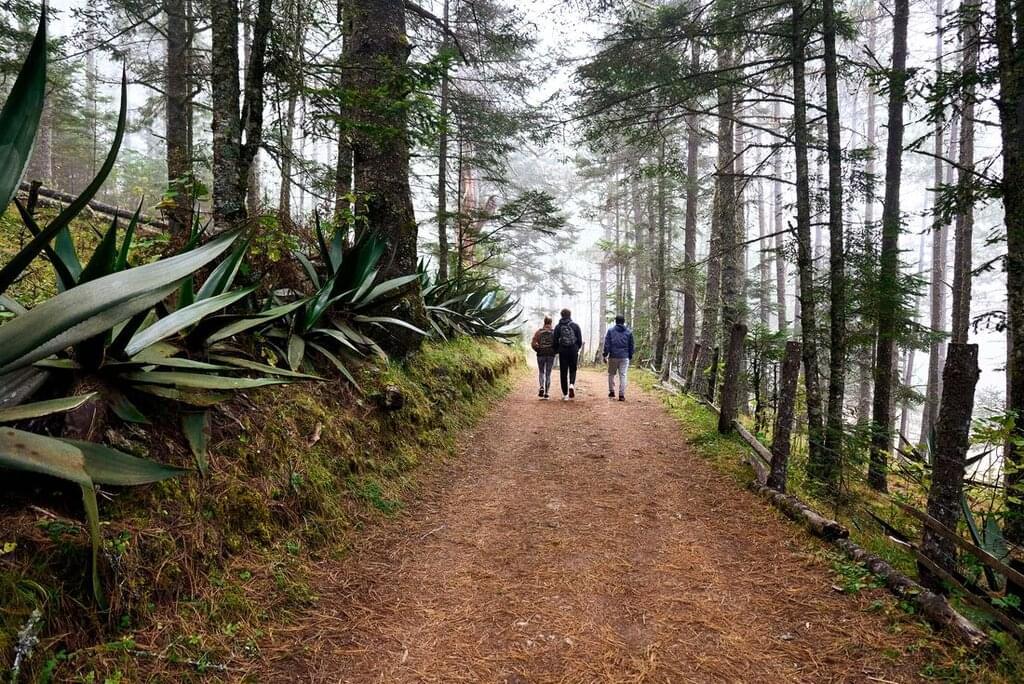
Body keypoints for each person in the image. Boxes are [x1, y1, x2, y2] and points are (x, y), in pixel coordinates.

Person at [551, 308, 583, 400]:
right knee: (573, 369)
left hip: (563, 351)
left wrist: (557, 350)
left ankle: (565, 395)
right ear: (570, 315)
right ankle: (571, 384)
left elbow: (555, 341)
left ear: (561, 315)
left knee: (563, 372)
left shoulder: (558, 327)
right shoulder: (575, 326)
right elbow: (580, 340)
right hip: (573, 350)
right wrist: (576, 348)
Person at [603, 314, 634, 401]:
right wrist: (630, 355)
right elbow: (631, 346)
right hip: (624, 357)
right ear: (623, 322)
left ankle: (612, 392)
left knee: (611, 374)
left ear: (616, 321)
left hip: (613, 356)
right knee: (623, 375)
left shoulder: (610, 331)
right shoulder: (629, 332)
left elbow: (607, 344)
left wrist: (605, 354)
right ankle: (621, 395)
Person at [530, 315, 556, 399]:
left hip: (541, 354)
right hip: (550, 355)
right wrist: (554, 351)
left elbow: (533, 343)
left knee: (541, 372)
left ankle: (541, 386)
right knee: (548, 374)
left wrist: (538, 350)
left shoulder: (539, 332)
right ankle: (546, 393)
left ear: (544, 322)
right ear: (551, 323)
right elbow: (557, 344)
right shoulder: (554, 332)